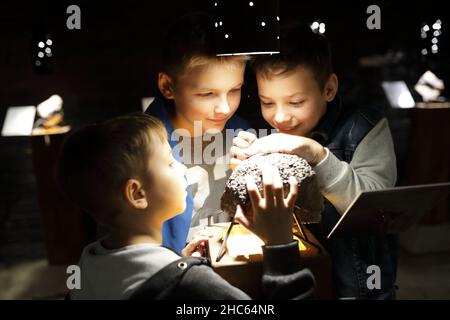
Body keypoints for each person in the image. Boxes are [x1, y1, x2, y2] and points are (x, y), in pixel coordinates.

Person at [58, 113, 315, 300]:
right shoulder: (189, 284)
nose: (182, 168)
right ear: (137, 193)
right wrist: (280, 245)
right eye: (170, 163)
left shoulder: (87, 263)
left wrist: (180, 262)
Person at [230, 23, 398, 299]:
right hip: (299, 285)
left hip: (359, 288)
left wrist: (316, 155)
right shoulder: (270, 132)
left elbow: (378, 209)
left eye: (296, 102)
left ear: (329, 89)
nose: (280, 117)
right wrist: (247, 169)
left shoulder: (365, 126)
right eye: (267, 102)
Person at [145, 13, 250, 253]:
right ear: (167, 86)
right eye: (207, 94)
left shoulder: (244, 135)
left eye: (234, 90)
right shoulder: (139, 154)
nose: (224, 108)